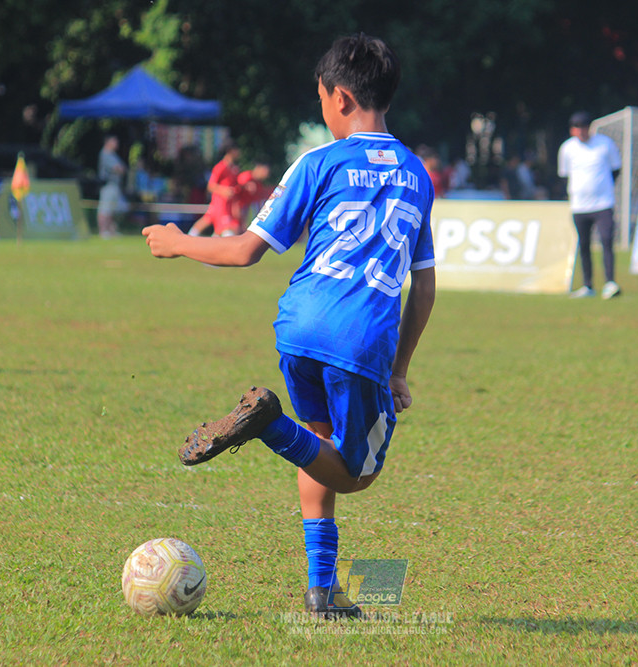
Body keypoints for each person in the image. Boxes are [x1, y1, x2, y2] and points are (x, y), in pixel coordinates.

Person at [141, 33, 436, 618]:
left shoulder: (319, 163)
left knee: (319, 445)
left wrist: (179, 242)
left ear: (342, 97)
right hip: (359, 338)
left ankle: (321, 591)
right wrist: (399, 369)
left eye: (321, 98)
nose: (321, 110)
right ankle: (269, 428)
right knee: (356, 476)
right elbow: (423, 285)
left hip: (298, 325)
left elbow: (247, 251)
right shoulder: (418, 175)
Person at [557, 111, 622, 299]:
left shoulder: (605, 144)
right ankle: (588, 285)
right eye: (577, 128)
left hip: (603, 203)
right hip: (579, 205)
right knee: (583, 244)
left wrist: (603, 189)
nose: (581, 132)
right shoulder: (567, 149)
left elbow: (615, 170)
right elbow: (564, 175)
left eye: (584, 127)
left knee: (607, 239)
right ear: (572, 130)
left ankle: (610, 282)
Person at [188, 142, 241, 237]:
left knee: (209, 221)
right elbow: (211, 186)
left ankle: (190, 238)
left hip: (227, 203)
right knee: (225, 226)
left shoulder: (234, 169)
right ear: (230, 151)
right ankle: (188, 239)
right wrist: (223, 191)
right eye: (237, 150)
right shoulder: (220, 167)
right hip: (219, 203)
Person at [97, 135, 127, 238]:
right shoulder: (105, 154)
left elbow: (122, 168)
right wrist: (120, 169)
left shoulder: (113, 154)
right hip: (108, 185)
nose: (116, 144)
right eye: (114, 141)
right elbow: (118, 168)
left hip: (115, 186)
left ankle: (111, 230)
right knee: (104, 209)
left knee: (112, 210)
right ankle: (103, 231)